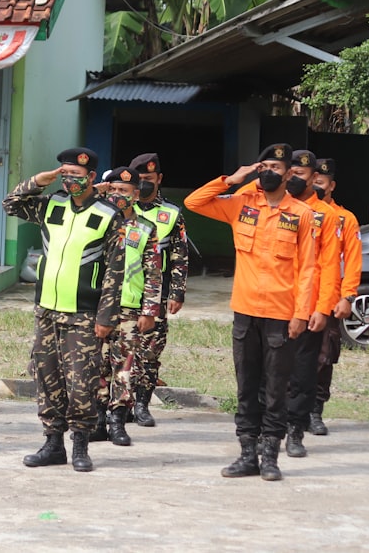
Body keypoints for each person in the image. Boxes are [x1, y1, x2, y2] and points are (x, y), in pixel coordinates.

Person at [185, 143, 316, 481]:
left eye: (276, 167)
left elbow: (308, 269)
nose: (269, 172)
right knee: (246, 386)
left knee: (275, 387)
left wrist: (302, 313)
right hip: (244, 311)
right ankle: (247, 454)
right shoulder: (242, 203)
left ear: (289, 174)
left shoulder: (300, 213)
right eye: (264, 166)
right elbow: (194, 202)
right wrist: (233, 178)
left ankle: (270, 455)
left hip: (280, 314)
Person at [4, 147, 125, 472]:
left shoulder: (108, 215)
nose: (70, 180)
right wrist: (37, 182)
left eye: (76, 175)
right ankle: (52, 443)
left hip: (84, 314)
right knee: (48, 378)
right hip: (47, 310)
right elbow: (10, 204)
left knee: (82, 382)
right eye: (65, 174)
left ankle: (81, 445)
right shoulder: (52, 204)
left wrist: (106, 316)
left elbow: (116, 270)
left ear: (91, 178)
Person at [93, 167, 161, 447]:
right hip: (95, 306)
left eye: (124, 190)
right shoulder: (96, 220)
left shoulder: (146, 228)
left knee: (124, 368)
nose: (118, 195)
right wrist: (97, 192)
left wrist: (150, 310)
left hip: (129, 309)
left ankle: (117, 420)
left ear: (136, 194)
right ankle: (97, 420)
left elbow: (154, 272)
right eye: (114, 190)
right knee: (95, 366)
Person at [282, 149, 341, 458]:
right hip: (275, 303)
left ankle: (297, 428)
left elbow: (332, 265)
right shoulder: (276, 207)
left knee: (306, 371)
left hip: (310, 305)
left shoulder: (329, 217)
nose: (292, 179)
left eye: (300, 175)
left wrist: (325, 305)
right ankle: (270, 429)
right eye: (288, 173)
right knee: (273, 371)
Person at [129, 153, 189, 427]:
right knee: (119, 349)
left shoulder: (172, 213)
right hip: (123, 290)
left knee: (150, 350)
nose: (143, 184)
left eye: (148, 180)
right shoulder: (120, 207)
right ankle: (120, 403)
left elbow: (179, 255)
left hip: (156, 292)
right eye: (139, 180)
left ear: (159, 179)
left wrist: (177, 292)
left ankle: (142, 404)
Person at [310, 158, 362, 435]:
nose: (315, 185)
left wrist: (348, 296)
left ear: (332, 185)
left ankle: (315, 410)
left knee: (324, 356)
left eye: (321, 182)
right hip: (298, 299)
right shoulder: (297, 211)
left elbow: (352, 261)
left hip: (329, 299)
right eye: (312, 181)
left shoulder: (346, 219)